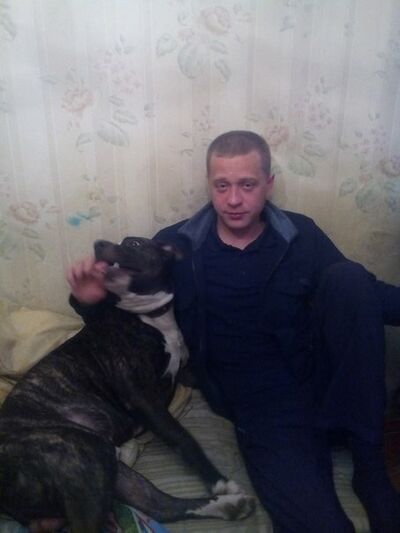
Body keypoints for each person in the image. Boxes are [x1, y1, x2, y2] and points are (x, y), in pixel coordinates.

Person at [67, 131, 400, 532]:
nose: (234, 199)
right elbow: (126, 323)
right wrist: (90, 301)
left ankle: (369, 464)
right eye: (222, 186)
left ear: (268, 184)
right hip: (264, 403)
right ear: (210, 185)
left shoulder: (300, 234)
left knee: (349, 278)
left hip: (320, 374)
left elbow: (368, 297)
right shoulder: (177, 245)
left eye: (247, 185)